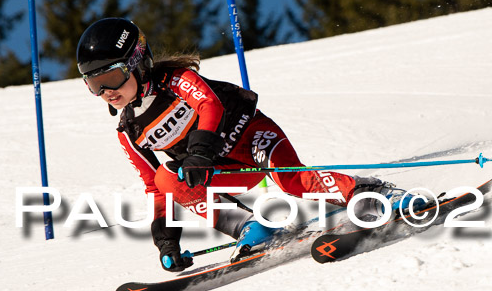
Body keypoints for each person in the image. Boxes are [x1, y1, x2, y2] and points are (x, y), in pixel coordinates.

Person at [76, 18, 414, 272]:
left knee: (293, 181)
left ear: (138, 62)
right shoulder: (129, 131)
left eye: (112, 77)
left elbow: (210, 105)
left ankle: (369, 192)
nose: (106, 91)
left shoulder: (177, 81)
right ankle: (251, 226)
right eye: (94, 83)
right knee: (167, 179)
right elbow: (155, 187)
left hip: (250, 136)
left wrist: (198, 153)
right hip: (225, 170)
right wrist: (166, 238)